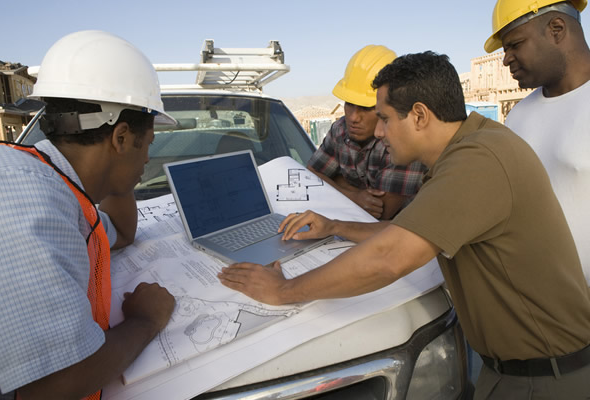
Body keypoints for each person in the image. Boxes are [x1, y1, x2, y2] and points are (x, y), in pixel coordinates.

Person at [218, 51, 590, 399]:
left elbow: (389, 258)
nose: (379, 132)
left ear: (419, 115)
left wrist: (283, 291)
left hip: (541, 379)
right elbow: (411, 232)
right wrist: (335, 226)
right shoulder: (466, 149)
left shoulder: (478, 161)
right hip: (515, 370)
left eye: (384, 118)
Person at [0, 31, 176, 400]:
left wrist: (119, 170)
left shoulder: (61, 191)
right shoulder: (22, 194)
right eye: (148, 144)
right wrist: (146, 320)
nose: (148, 160)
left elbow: (120, 233)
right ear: (121, 137)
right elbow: (55, 385)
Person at [485, 0, 590, 286]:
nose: (506, 59)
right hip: (540, 302)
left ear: (556, 29)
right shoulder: (519, 115)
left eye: (515, 44)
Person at [307, 45, 427, 220]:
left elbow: (381, 211)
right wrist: (355, 196)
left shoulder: (402, 141)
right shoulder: (340, 130)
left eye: (365, 107)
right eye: (349, 104)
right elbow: (312, 176)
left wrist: (336, 181)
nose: (354, 117)